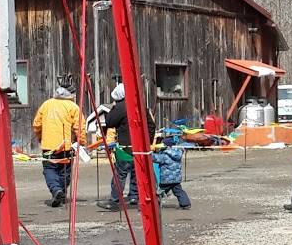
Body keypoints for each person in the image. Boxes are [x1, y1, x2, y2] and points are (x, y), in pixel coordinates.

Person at [97, 83, 155, 211]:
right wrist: (148, 142)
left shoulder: (120, 107)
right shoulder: (141, 107)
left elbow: (110, 122)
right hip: (140, 148)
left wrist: (112, 108)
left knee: (120, 175)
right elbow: (151, 125)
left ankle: (114, 200)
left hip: (125, 147)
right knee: (136, 173)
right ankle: (134, 196)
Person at [32, 84, 84, 207]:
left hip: (48, 145)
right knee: (64, 171)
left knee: (49, 169)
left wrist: (40, 137)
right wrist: (81, 143)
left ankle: (56, 191)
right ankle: (60, 191)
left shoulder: (46, 104)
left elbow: (37, 124)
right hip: (66, 146)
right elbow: (80, 127)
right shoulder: (73, 107)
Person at [152, 140, 191, 210]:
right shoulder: (177, 154)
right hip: (176, 178)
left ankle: (155, 205)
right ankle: (185, 204)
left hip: (166, 179)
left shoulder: (164, 155)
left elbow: (154, 158)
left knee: (159, 192)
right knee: (179, 191)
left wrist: (150, 153)